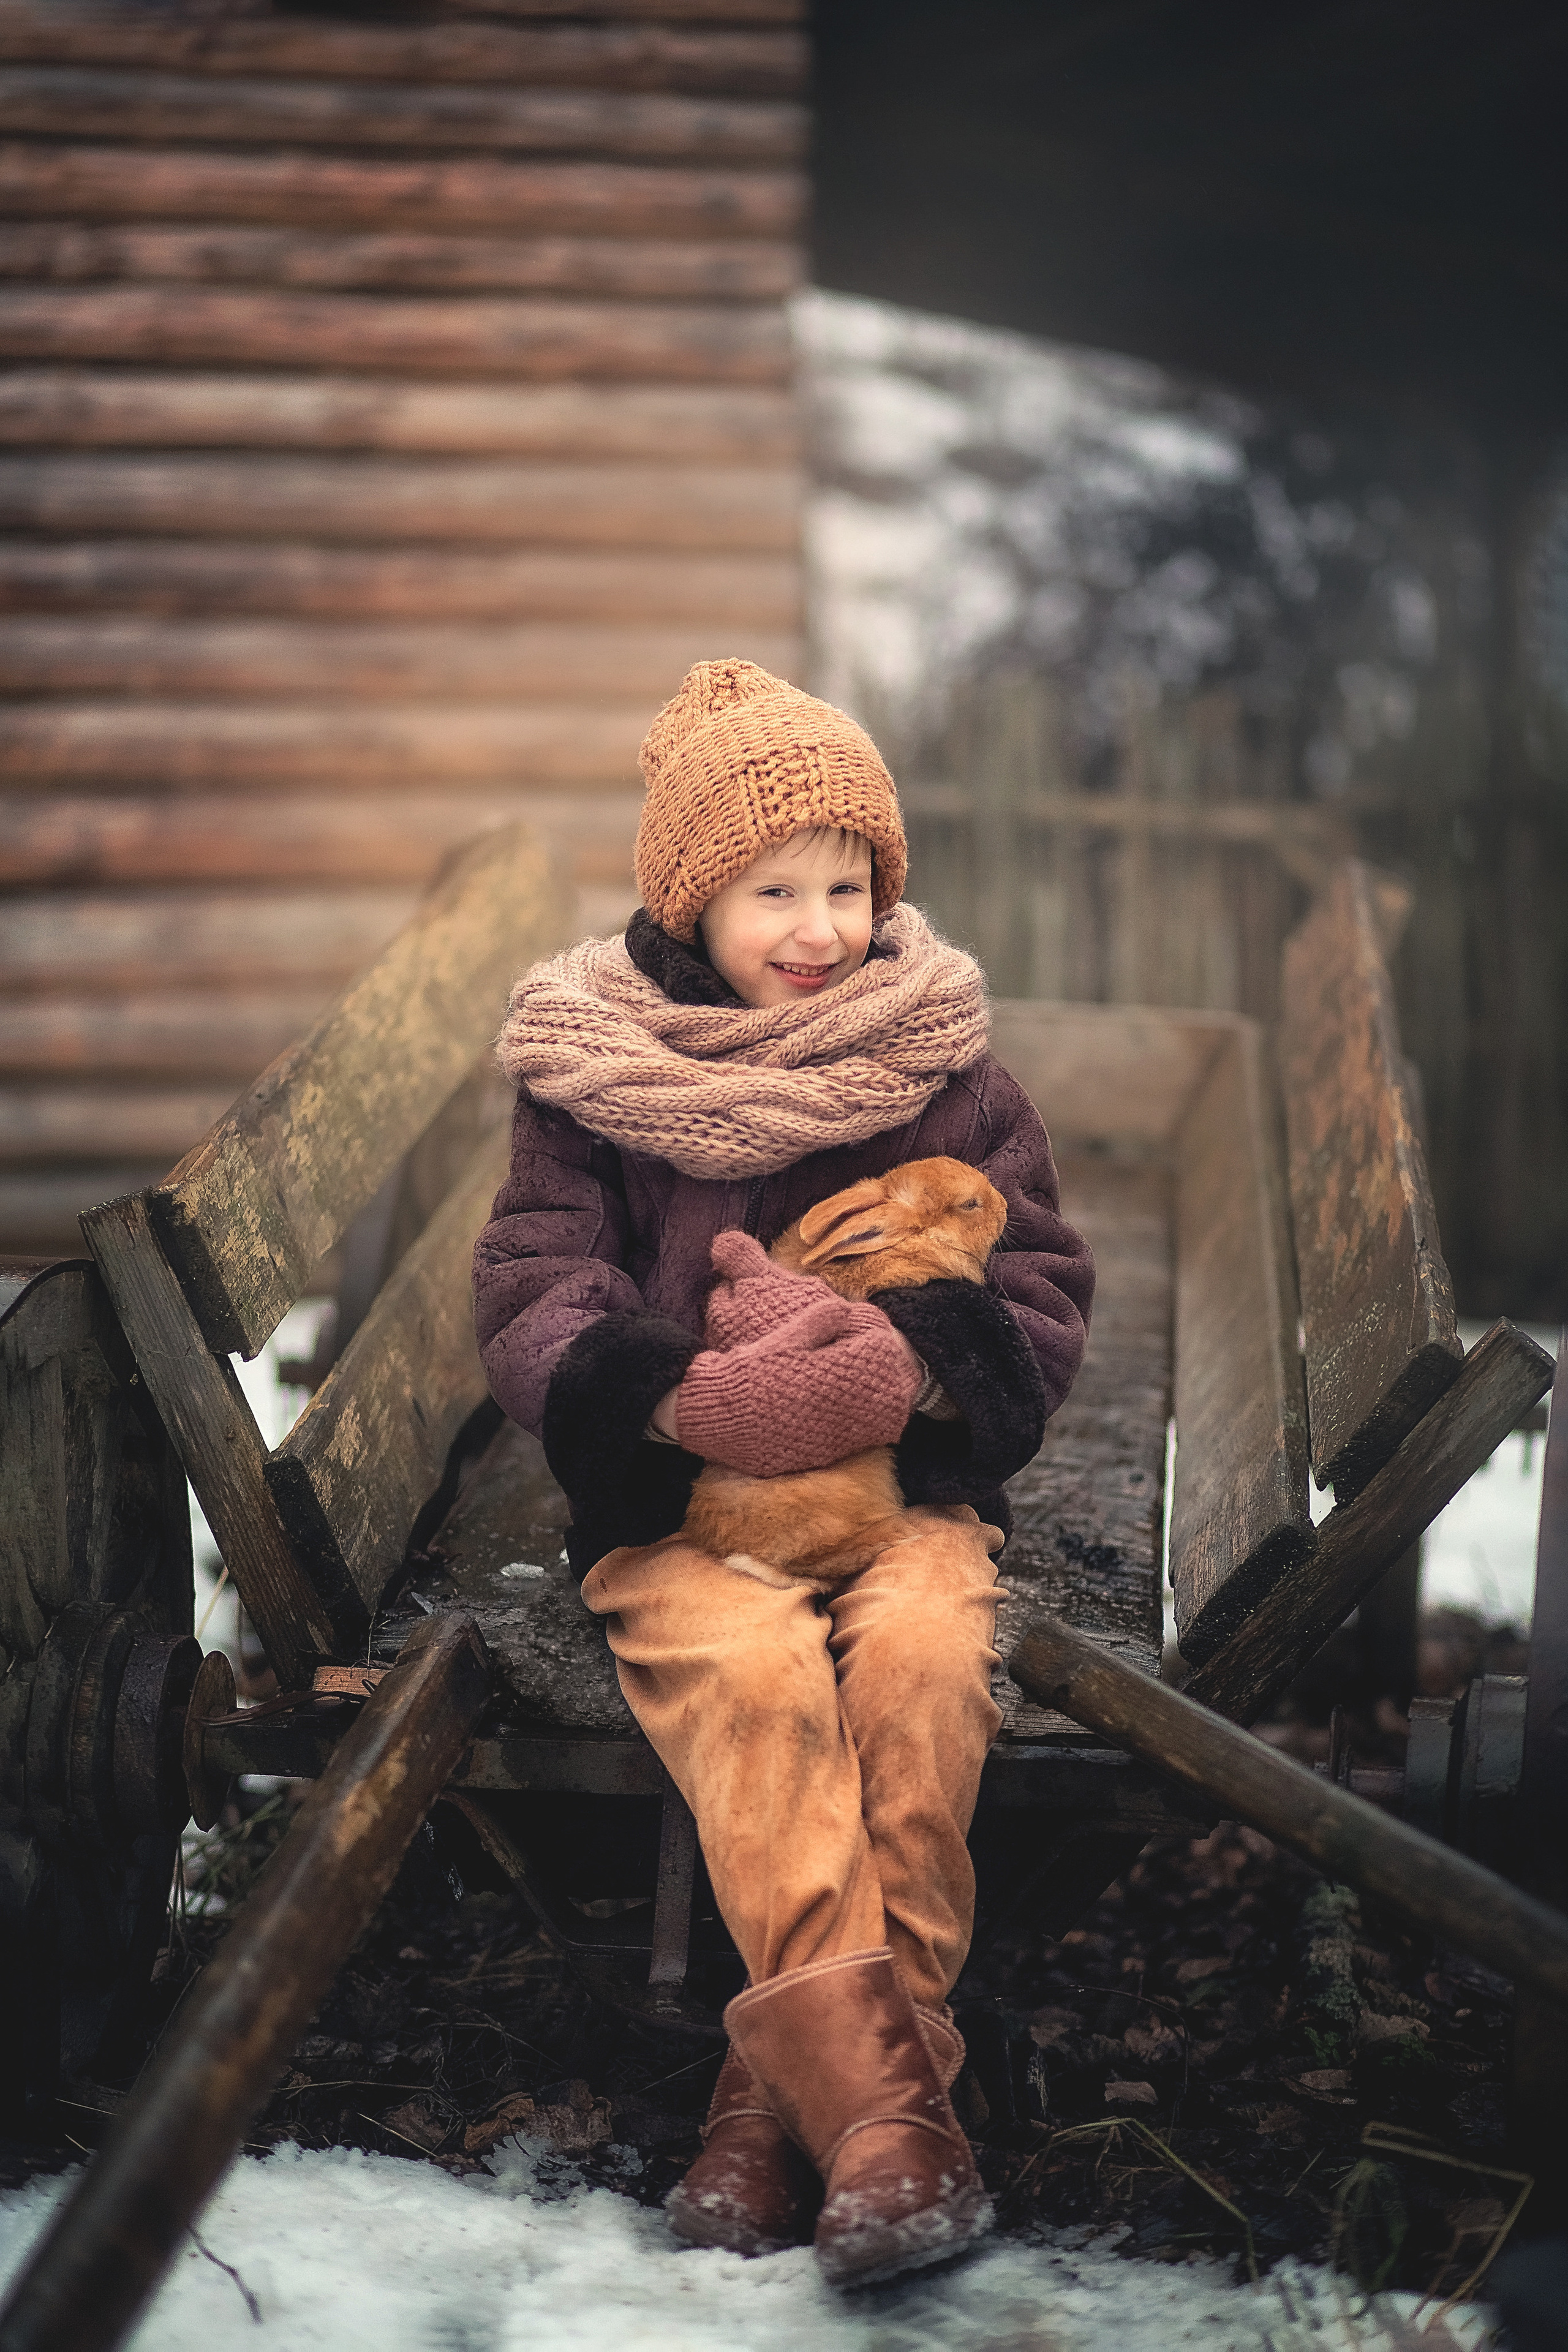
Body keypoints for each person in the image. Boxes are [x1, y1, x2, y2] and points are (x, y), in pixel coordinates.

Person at [473, 658, 1094, 2288]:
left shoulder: (945, 1067)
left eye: (847, 885)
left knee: (923, 1661)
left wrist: (907, 1369)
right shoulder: (595, 1085)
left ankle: (784, 2110)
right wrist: (675, 1403)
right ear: (691, 905)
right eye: (772, 892)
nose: (818, 926)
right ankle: (884, 2129)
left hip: (909, 1503)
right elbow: (537, 1288)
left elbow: (1035, 1291)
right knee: (750, 1682)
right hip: (682, 1519)